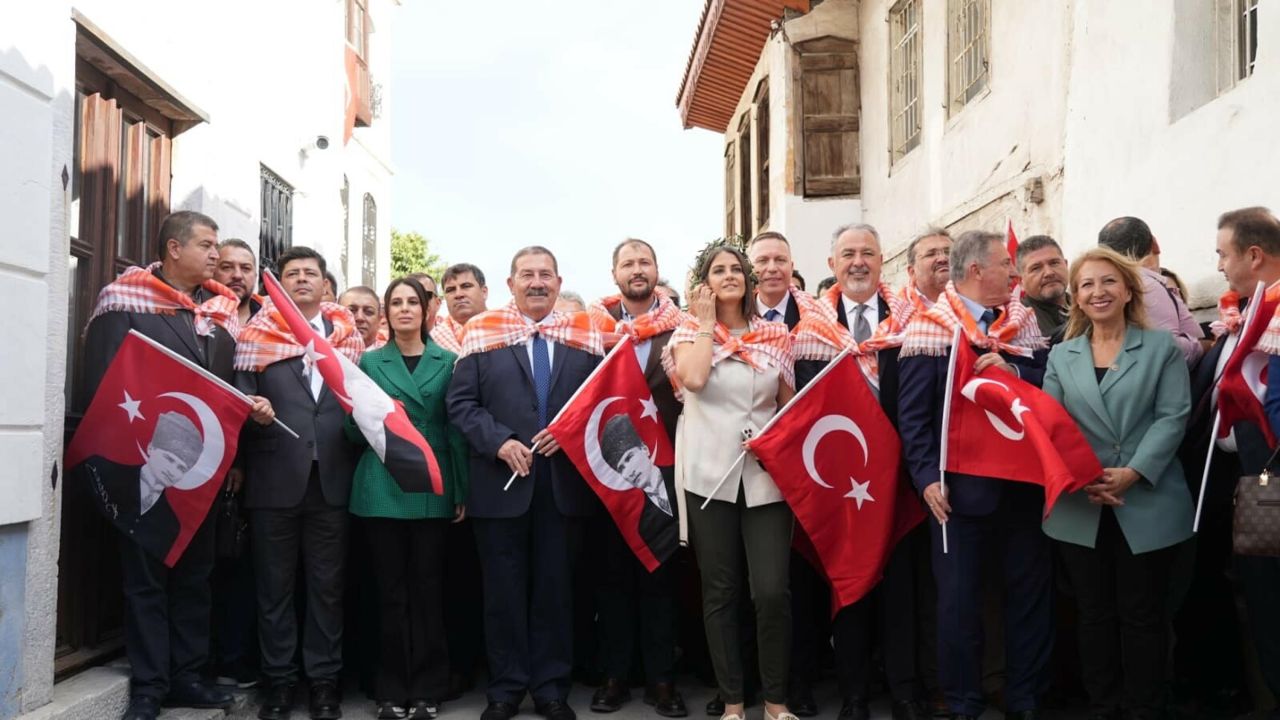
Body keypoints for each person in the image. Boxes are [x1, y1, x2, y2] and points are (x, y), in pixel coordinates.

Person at [82, 211, 274, 720]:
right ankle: (149, 685)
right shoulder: (123, 302)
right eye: (207, 245)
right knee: (144, 579)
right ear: (173, 248)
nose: (216, 255)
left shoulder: (220, 313)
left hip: (204, 475)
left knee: (196, 575)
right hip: (142, 466)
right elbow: (105, 386)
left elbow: (232, 390)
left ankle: (187, 675)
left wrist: (238, 441)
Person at [897, 229, 1050, 720]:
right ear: (976, 272)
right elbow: (914, 417)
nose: (1014, 271)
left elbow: (1049, 385)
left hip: (1022, 488)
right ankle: (964, 701)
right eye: (1006, 263)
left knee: (1028, 598)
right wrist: (925, 478)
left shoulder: (1022, 324)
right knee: (958, 605)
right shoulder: (930, 327)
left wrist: (1015, 373)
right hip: (957, 495)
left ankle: (1024, 697)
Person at [446, 246, 604, 720]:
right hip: (500, 485)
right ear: (511, 284)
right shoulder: (482, 334)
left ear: (558, 283)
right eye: (527, 275)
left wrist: (570, 434)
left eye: (545, 275)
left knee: (556, 592)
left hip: (563, 487)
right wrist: (499, 442)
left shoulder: (585, 334)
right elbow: (461, 405)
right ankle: (506, 689)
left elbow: (601, 403)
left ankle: (552, 689)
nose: (537, 282)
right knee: (503, 593)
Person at [1042, 247, 1192, 720]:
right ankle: (1104, 706)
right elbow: (1051, 423)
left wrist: (1133, 472)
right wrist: (1084, 475)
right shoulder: (1061, 356)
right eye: (1086, 285)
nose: (1097, 292)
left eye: (1108, 282)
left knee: (1143, 614)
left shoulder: (1161, 348)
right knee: (1093, 614)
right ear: (1076, 298)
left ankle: (1145, 706)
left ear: (1128, 290)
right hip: (1080, 501)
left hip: (1144, 498)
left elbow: (1173, 418)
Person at [794, 224, 928, 720]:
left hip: (901, 479)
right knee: (849, 586)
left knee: (900, 589)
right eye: (847, 254)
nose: (857, 262)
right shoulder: (810, 330)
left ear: (882, 260)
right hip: (844, 483)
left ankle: (905, 691)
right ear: (831, 265)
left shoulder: (912, 320)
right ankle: (853, 694)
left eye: (867, 253)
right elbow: (805, 409)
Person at [666, 242, 797, 720]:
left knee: (771, 589)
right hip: (707, 476)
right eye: (718, 270)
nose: (729, 275)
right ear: (705, 282)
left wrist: (772, 439)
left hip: (764, 477)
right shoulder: (686, 333)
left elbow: (788, 406)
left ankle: (776, 700)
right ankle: (734, 702)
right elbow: (695, 381)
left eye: (736, 269)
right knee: (720, 591)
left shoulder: (775, 335)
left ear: (750, 279)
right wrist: (705, 324)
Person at [233, 246, 364, 720]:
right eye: (293, 273)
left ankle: (325, 684)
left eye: (311, 273)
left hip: (332, 481)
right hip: (273, 482)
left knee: (328, 588)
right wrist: (252, 408)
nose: (302, 279)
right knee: (274, 588)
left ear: (325, 285)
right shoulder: (258, 334)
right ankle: (279, 684)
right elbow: (238, 394)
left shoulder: (348, 340)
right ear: (280, 284)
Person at [348, 276, 468, 719]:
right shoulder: (368, 361)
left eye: (411, 302)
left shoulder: (449, 361)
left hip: (432, 485)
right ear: (385, 312)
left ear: (426, 310)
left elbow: (455, 430)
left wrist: (460, 488)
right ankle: (390, 689)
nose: (403, 309)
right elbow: (351, 428)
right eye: (395, 303)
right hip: (381, 484)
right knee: (389, 593)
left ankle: (428, 689)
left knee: (428, 591)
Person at [585, 238, 688, 717]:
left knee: (660, 576)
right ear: (615, 275)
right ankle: (615, 676)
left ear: (656, 269)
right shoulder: (590, 330)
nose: (637, 269)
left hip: (665, 469)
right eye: (628, 263)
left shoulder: (682, 329)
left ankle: (662, 680)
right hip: (609, 474)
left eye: (645, 261)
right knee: (611, 579)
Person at [746, 231, 826, 715]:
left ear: (792, 265)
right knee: (753, 584)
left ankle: (799, 683)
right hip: (748, 465)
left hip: (807, 462)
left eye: (780, 259)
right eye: (762, 260)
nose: (772, 267)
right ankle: (744, 685)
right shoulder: (736, 316)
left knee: (800, 578)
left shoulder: (820, 320)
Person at [1212, 207, 1280, 717]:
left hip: (1272, 486)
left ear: (1253, 256)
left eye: (1223, 254)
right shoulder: (1256, 308)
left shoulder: (1274, 312)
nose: (1219, 266)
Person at [1098, 217, 1204, 365]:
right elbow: (1169, 351)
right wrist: (1203, 347)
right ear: (1155, 244)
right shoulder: (1145, 285)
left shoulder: (1103, 287)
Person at [1016, 235, 1070, 340]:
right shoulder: (1018, 321)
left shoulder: (1087, 306)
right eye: (1036, 268)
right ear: (1020, 282)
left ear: (1066, 265)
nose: (1049, 273)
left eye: (1054, 263)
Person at [432, 263, 489, 355]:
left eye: (466, 286)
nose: (458, 294)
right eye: (450, 290)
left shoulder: (507, 328)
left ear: (484, 292)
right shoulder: (434, 341)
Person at [215, 238, 262, 325]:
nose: (237, 275)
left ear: (256, 277)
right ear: (212, 273)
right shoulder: (195, 318)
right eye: (227, 267)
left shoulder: (277, 323)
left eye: (246, 268)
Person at [904, 228, 952, 308]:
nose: (943, 259)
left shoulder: (977, 296)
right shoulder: (899, 314)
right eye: (931, 254)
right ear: (912, 272)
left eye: (948, 252)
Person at [340, 285, 383, 350]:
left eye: (369, 312)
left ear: (379, 320)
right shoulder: (324, 353)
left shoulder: (392, 357)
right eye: (351, 311)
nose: (360, 318)